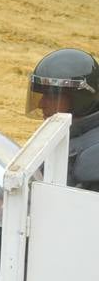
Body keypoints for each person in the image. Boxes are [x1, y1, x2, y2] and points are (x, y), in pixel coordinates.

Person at [24, 48, 99, 187]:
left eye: (52, 95)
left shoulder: (93, 155)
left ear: (80, 100)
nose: (41, 104)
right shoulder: (69, 134)